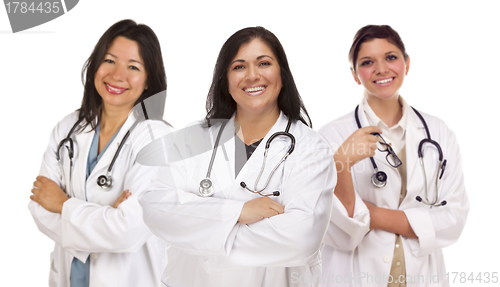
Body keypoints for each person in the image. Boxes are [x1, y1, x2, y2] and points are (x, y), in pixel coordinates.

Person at [138, 26, 336, 287]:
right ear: (226, 79)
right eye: (239, 66)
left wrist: (200, 232)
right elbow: (155, 206)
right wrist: (238, 212)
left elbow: (301, 238)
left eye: (263, 63)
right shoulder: (193, 137)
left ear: (282, 74)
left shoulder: (311, 148)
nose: (252, 75)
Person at [318, 25, 469, 287]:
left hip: (424, 276)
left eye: (391, 57)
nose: (382, 69)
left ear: (406, 64)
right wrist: (341, 162)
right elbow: (336, 232)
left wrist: (373, 216)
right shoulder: (331, 136)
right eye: (367, 62)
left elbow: (453, 220)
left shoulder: (438, 132)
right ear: (354, 75)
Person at [28, 19, 171, 287]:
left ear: (149, 79)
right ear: (95, 64)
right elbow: (39, 207)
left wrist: (63, 205)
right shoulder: (67, 129)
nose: (118, 75)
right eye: (109, 61)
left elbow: (128, 231)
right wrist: (106, 217)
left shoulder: (155, 139)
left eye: (133, 67)